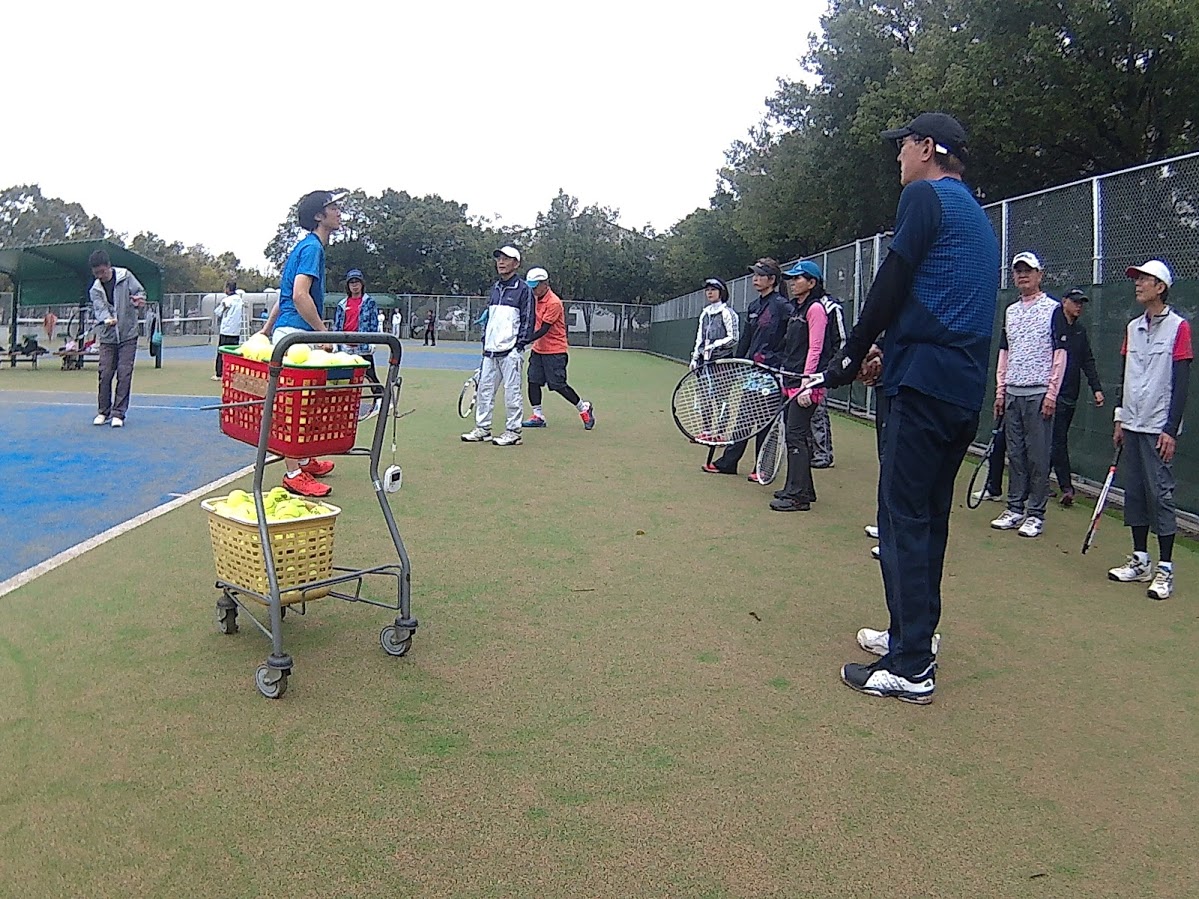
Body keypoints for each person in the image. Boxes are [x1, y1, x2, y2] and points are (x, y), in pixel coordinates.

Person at [803, 112, 999, 703]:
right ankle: (914, 636)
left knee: (901, 521)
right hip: (958, 389)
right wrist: (886, 351)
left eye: (904, 146)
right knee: (927, 519)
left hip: (922, 389)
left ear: (928, 148)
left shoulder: (923, 197)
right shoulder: (975, 214)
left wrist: (850, 353)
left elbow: (894, 278)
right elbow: (940, 301)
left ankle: (911, 666)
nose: (899, 157)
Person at [1108, 260, 1191, 601]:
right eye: (1137, 279)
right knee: (1136, 494)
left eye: (1145, 279)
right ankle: (1140, 560)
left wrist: (1170, 429)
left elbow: (1182, 383)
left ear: (1161, 287)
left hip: (1158, 428)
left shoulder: (1179, 327)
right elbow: (1124, 375)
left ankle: (1165, 569)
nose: (1138, 284)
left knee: (1161, 496)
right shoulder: (1131, 328)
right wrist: (1119, 417)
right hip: (1131, 424)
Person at [258, 189, 344, 497]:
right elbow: (298, 295)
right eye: (333, 207)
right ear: (319, 216)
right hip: (297, 338)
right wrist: (323, 334)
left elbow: (285, 297)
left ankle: (304, 460)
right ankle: (293, 473)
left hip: (290, 334)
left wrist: (267, 330)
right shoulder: (312, 249)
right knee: (294, 406)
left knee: (303, 402)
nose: (339, 211)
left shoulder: (306, 247)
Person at [988, 252, 1068, 539]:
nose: (1023, 275)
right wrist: (1001, 390)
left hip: (1039, 393)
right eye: (1018, 271)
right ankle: (1014, 508)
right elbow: (1004, 353)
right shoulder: (1010, 311)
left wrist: (1051, 394)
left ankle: (1036, 513)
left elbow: (1060, 355)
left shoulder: (1054, 309)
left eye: (1028, 270)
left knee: (1038, 455)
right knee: (1015, 454)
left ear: (1039, 274)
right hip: (1012, 392)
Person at [703, 258, 791, 478]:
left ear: (772, 279)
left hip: (773, 374)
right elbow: (746, 340)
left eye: (760, 275)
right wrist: (737, 363)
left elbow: (794, 336)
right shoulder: (754, 306)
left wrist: (779, 359)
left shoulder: (782, 306)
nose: (755, 279)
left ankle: (762, 468)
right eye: (754, 275)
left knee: (764, 422)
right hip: (752, 372)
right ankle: (728, 463)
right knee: (743, 418)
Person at [769, 260, 831, 511]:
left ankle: (797, 497)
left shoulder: (815, 309)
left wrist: (807, 383)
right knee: (797, 435)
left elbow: (816, 348)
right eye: (791, 279)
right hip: (791, 379)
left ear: (812, 283)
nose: (793, 283)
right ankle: (802, 488)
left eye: (798, 278)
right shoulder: (796, 308)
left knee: (795, 435)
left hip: (807, 384)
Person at [461, 246, 534, 446]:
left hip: (510, 351)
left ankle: (513, 432)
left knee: (512, 393)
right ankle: (483, 429)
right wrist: (485, 341)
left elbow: (528, 320)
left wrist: (519, 346)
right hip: (490, 351)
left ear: (516, 264)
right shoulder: (495, 288)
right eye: (499, 258)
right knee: (484, 391)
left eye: (506, 258)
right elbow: (491, 318)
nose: (501, 262)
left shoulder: (524, 289)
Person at [520, 267, 595, 430]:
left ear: (545, 284)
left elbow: (543, 329)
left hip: (555, 351)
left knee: (558, 385)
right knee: (533, 381)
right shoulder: (532, 299)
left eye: (535, 286)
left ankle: (584, 408)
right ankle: (538, 416)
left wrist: (523, 341)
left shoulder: (554, 302)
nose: (533, 290)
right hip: (538, 350)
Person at [1052, 288, 1105, 506]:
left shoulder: (1080, 332)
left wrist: (1096, 389)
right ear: (1064, 302)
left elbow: (1087, 361)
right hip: (1051, 395)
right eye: (1075, 302)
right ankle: (1066, 487)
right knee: (1056, 441)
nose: (1079, 306)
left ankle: (1042, 483)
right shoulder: (1052, 325)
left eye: (1081, 303)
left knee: (1056, 440)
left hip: (1070, 396)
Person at [89, 249, 147, 428]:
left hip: (128, 334)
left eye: (102, 271)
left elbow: (140, 293)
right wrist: (106, 319)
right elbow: (99, 309)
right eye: (96, 273)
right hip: (107, 337)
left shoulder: (125, 276)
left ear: (109, 266)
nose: (100, 276)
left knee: (124, 373)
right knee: (105, 373)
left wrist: (138, 301)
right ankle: (103, 411)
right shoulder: (95, 289)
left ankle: (118, 413)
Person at [333, 269, 384, 419]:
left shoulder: (369, 302)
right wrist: (336, 342)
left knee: (370, 374)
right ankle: (346, 405)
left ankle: (381, 400)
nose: (354, 285)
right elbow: (338, 324)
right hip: (345, 346)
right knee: (345, 376)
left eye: (357, 282)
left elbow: (373, 322)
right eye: (352, 282)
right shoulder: (342, 304)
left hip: (363, 345)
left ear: (362, 284)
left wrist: (373, 340)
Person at [810, 285, 845, 468]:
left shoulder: (831, 307)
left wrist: (833, 368)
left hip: (822, 370)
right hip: (803, 367)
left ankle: (823, 454)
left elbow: (841, 340)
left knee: (818, 412)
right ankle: (809, 452)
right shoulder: (800, 306)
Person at [212, 280, 243, 380]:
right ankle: (232, 374)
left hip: (226, 330)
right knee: (233, 354)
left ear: (228, 289)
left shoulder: (227, 300)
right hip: (236, 330)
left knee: (221, 352)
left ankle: (219, 374)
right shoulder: (239, 300)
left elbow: (218, 312)